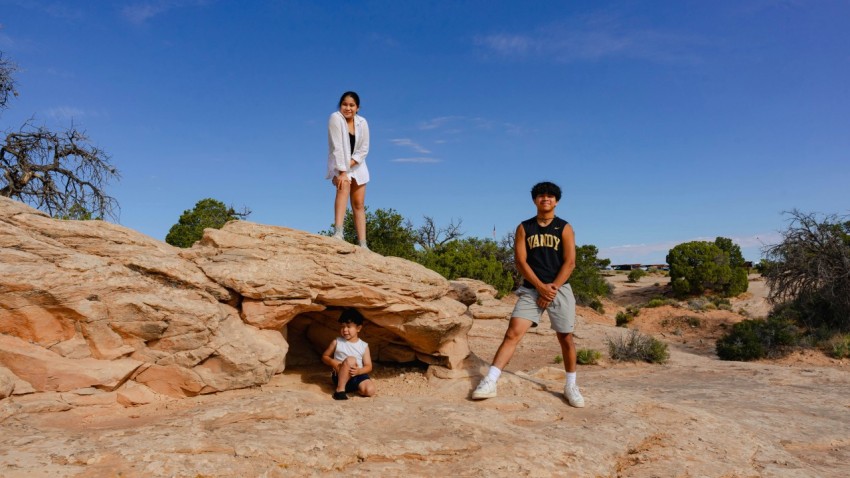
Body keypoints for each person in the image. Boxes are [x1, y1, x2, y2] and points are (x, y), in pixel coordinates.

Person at [472, 181, 585, 407]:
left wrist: (551, 289)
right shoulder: (525, 228)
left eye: (551, 196)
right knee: (513, 333)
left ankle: (571, 385)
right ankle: (490, 380)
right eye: (541, 195)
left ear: (557, 201)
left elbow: (570, 262)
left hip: (559, 289)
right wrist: (540, 287)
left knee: (566, 337)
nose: (546, 199)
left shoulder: (564, 227)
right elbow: (521, 261)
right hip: (532, 290)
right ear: (535, 200)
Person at [327, 91, 370, 249]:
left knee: (358, 203)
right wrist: (342, 172)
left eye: (352, 105)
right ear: (340, 105)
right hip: (340, 164)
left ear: (357, 107)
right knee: (343, 187)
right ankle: (338, 233)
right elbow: (337, 147)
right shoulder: (335, 119)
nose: (348, 108)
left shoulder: (362, 122)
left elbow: (364, 148)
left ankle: (363, 244)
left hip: (357, 165)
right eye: (345, 104)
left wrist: (351, 163)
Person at [322, 308, 376, 400]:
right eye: (342, 326)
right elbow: (324, 356)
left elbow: (368, 366)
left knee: (370, 391)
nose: (345, 330)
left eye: (349, 326)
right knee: (351, 360)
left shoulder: (363, 346)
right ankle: (340, 390)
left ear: (358, 328)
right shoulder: (337, 342)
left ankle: (354, 388)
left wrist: (359, 371)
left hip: (357, 375)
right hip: (340, 375)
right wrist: (334, 363)